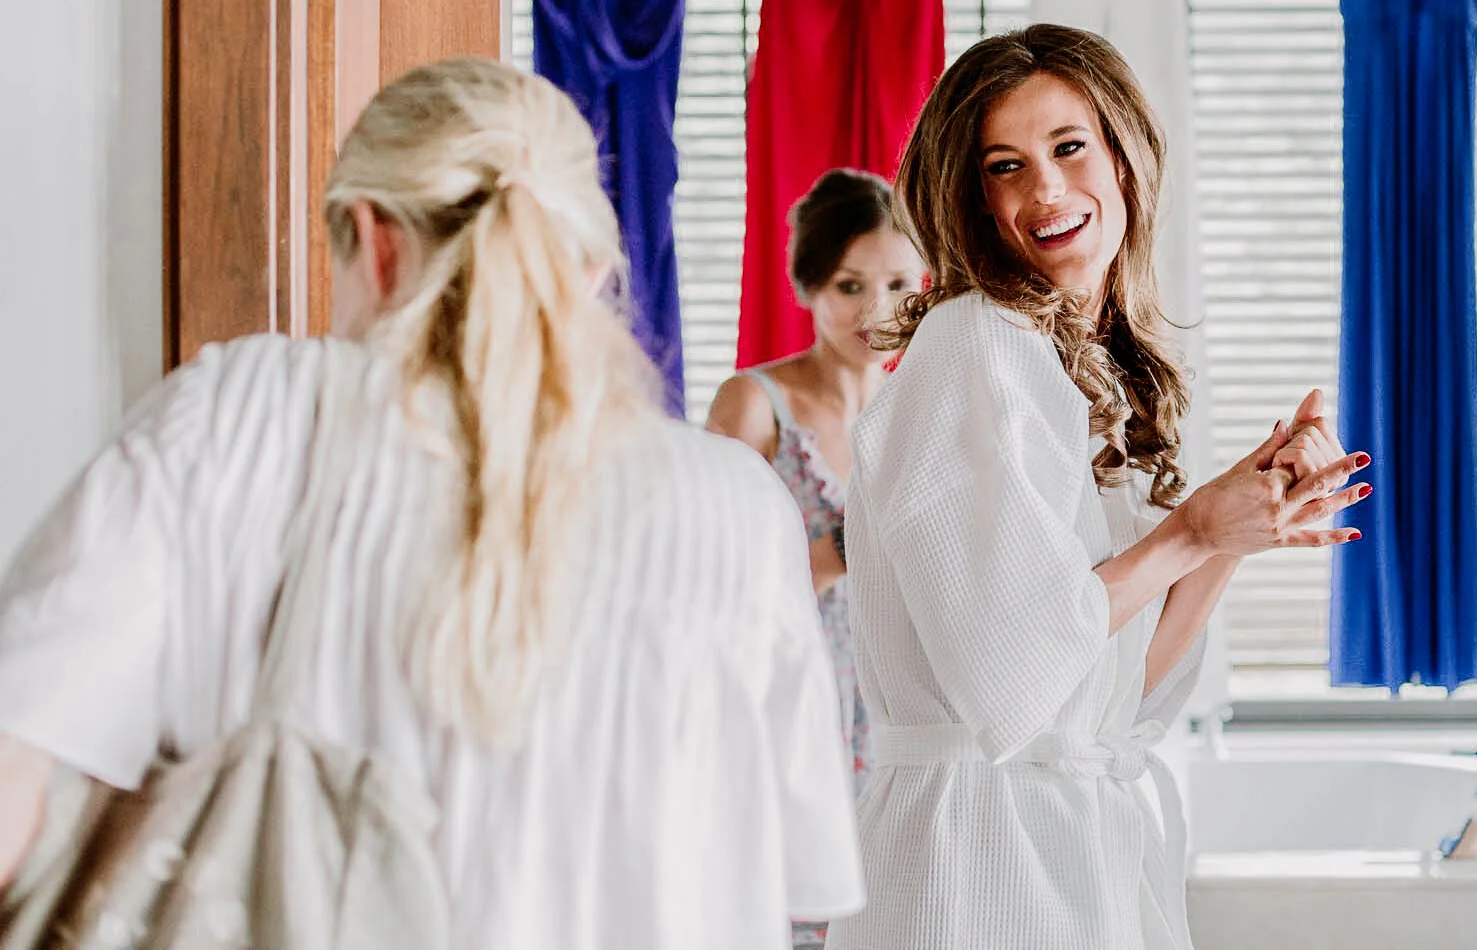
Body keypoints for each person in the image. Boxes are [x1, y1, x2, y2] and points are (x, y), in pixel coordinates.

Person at [0, 59, 862, 948]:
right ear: (592, 269)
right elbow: (803, 874)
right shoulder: (738, 509)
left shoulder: (238, 417)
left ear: (372, 239)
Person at [830, 24, 1370, 950]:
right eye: (1005, 166)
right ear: (972, 198)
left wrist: (1245, 520)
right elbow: (1010, 673)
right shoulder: (975, 343)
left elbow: (1125, 688)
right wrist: (1190, 531)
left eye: (1068, 146)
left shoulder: (1089, 370)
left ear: (1124, 157)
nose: (1045, 189)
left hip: (1073, 846)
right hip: (974, 860)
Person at [707, 167, 921, 950]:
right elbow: (713, 582)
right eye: (849, 285)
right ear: (808, 286)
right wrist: (848, 547)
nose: (876, 311)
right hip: (791, 688)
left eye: (898, 284)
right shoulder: (753, 403)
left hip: (900, 697)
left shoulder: (925, 407)